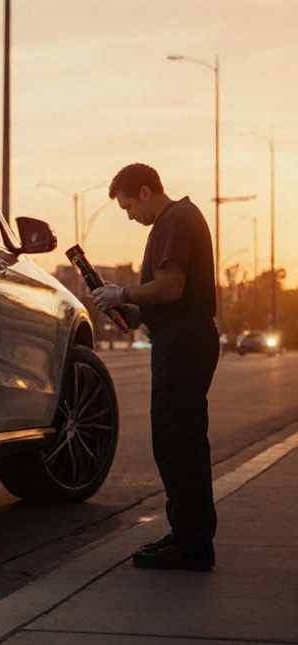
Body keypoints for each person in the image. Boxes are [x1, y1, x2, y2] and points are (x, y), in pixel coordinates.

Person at [91, 163, 218, 571]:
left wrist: (122, 292)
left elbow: (171, 287)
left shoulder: (176, 219)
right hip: (178, 338)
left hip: (185, 341)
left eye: (129, 206)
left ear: (146, 192)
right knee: (177, 440)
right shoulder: (173, 220)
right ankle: (186, 533)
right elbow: (165, 297)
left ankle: (192, 544)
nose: (130, 216)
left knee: (177, 441)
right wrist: (129, 310)